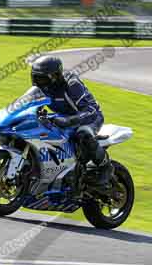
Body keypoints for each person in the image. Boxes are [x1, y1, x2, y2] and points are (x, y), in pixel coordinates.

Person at [29, 56, 112, 194]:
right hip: (63, 116)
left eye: (43, 79)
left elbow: (91, 110)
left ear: (55, 76)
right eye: (36, 78)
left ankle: (105, 167)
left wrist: (69, 121)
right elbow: (30, 107)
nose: (39, 82)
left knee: (83, 134)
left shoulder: (72, 85)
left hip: (90, 117)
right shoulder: (39, 89)